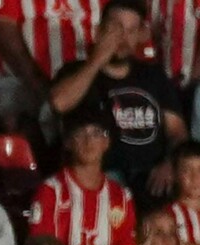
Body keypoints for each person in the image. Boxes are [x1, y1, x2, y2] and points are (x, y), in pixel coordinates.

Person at [50, 0, 186, 203]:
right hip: (104, 175)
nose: (123, 37)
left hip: (152, 175)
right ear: (99, 31)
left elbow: (177, 131)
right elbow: (59, 103)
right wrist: (97, 60)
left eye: (131, 30)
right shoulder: (76, 72)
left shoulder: (153, 75)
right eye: (116, 28)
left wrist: (169, 163)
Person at [30, 118, 138, 245]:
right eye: (80, 134)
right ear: (68, 142)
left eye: (96, 134)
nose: (89, 141)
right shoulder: (52, 189)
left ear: (106, 142)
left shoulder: (121, 195)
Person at [0, 0, 97, 133]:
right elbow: (2, 30)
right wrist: (40, 85)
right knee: (20, 121)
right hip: (18, 77)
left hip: (83, 77)